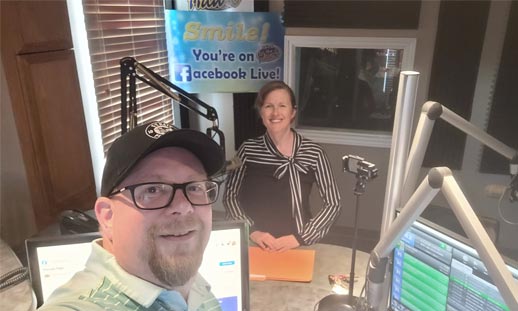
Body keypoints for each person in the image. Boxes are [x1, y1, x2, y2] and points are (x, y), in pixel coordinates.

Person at [39, 121, 225, 311]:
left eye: (194, 187)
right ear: (107, 216)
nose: (184, 206)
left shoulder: (185, 279)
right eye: (152, 189)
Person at [223, 81, 341, 252]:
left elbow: (333, 203)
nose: (275, 113)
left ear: (293, 112)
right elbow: (230, 197)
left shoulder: (314, 153)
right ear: (261, 112)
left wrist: (301, 237)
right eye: (268, 106)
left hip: (298, 242)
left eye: (282, 106)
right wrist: (252, 231)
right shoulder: (248, 150)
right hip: (256, 242)